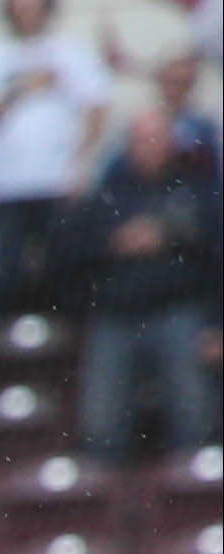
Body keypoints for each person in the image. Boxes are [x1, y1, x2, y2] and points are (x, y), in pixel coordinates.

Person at [73, 106, 223, 464]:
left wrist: (167, 235)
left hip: (181, 313)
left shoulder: (197, 189)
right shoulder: (107, 191)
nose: (150, 147)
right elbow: (72, 251)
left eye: (157, 139)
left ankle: (190, 506)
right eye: (142, 139)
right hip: (115, 317)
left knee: (193, 415)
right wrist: (116, 242)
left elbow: (214, 254)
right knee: (101, 423)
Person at [0, 0, 120, 312]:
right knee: (8, 272)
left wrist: (82, 164)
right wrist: (19, 89)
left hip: (58, 184)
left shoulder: (71, 54)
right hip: (6, 186)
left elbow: (96, 111)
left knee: (64, 270)